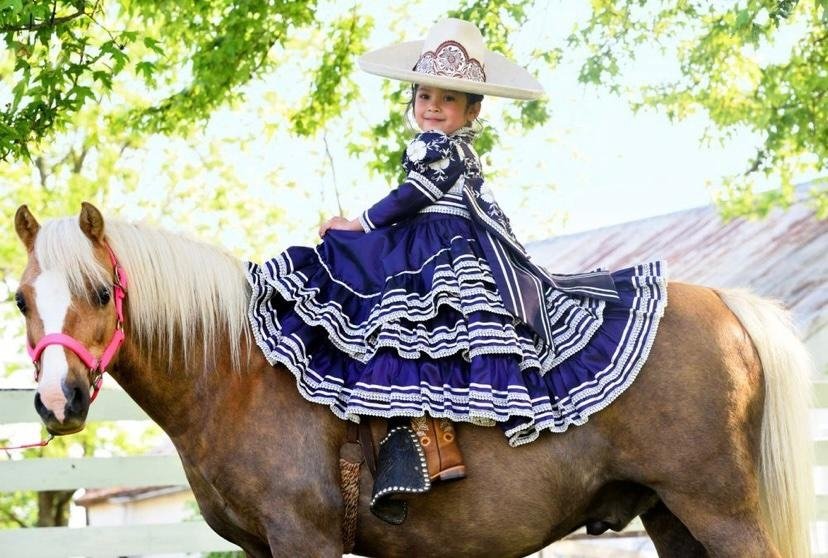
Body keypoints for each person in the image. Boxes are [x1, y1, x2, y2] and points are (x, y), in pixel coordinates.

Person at [246, 18, 667, 517]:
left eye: (448, 100)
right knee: (427, 331)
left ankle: (419, 443)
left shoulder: (435, 146)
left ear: (473, 110)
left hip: (437, 245)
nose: (432, 108)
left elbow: (417, 193)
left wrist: (360, 222)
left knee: (403, 323)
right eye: (425, 96)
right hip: (447, 242)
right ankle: (429, 435)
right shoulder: (450, 147)